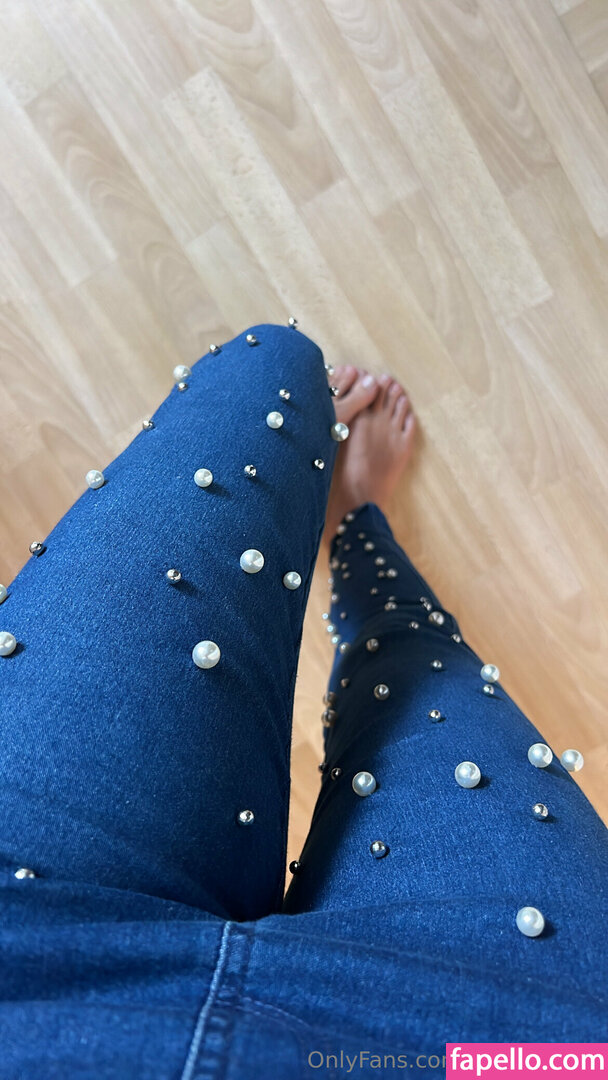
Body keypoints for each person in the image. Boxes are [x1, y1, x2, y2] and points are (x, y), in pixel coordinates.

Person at [0, 322, 605, 1079]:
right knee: (415, 647)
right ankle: (356, 522)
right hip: (516, 1040)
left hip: (23, 931)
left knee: (277, 362)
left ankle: (338, 513)